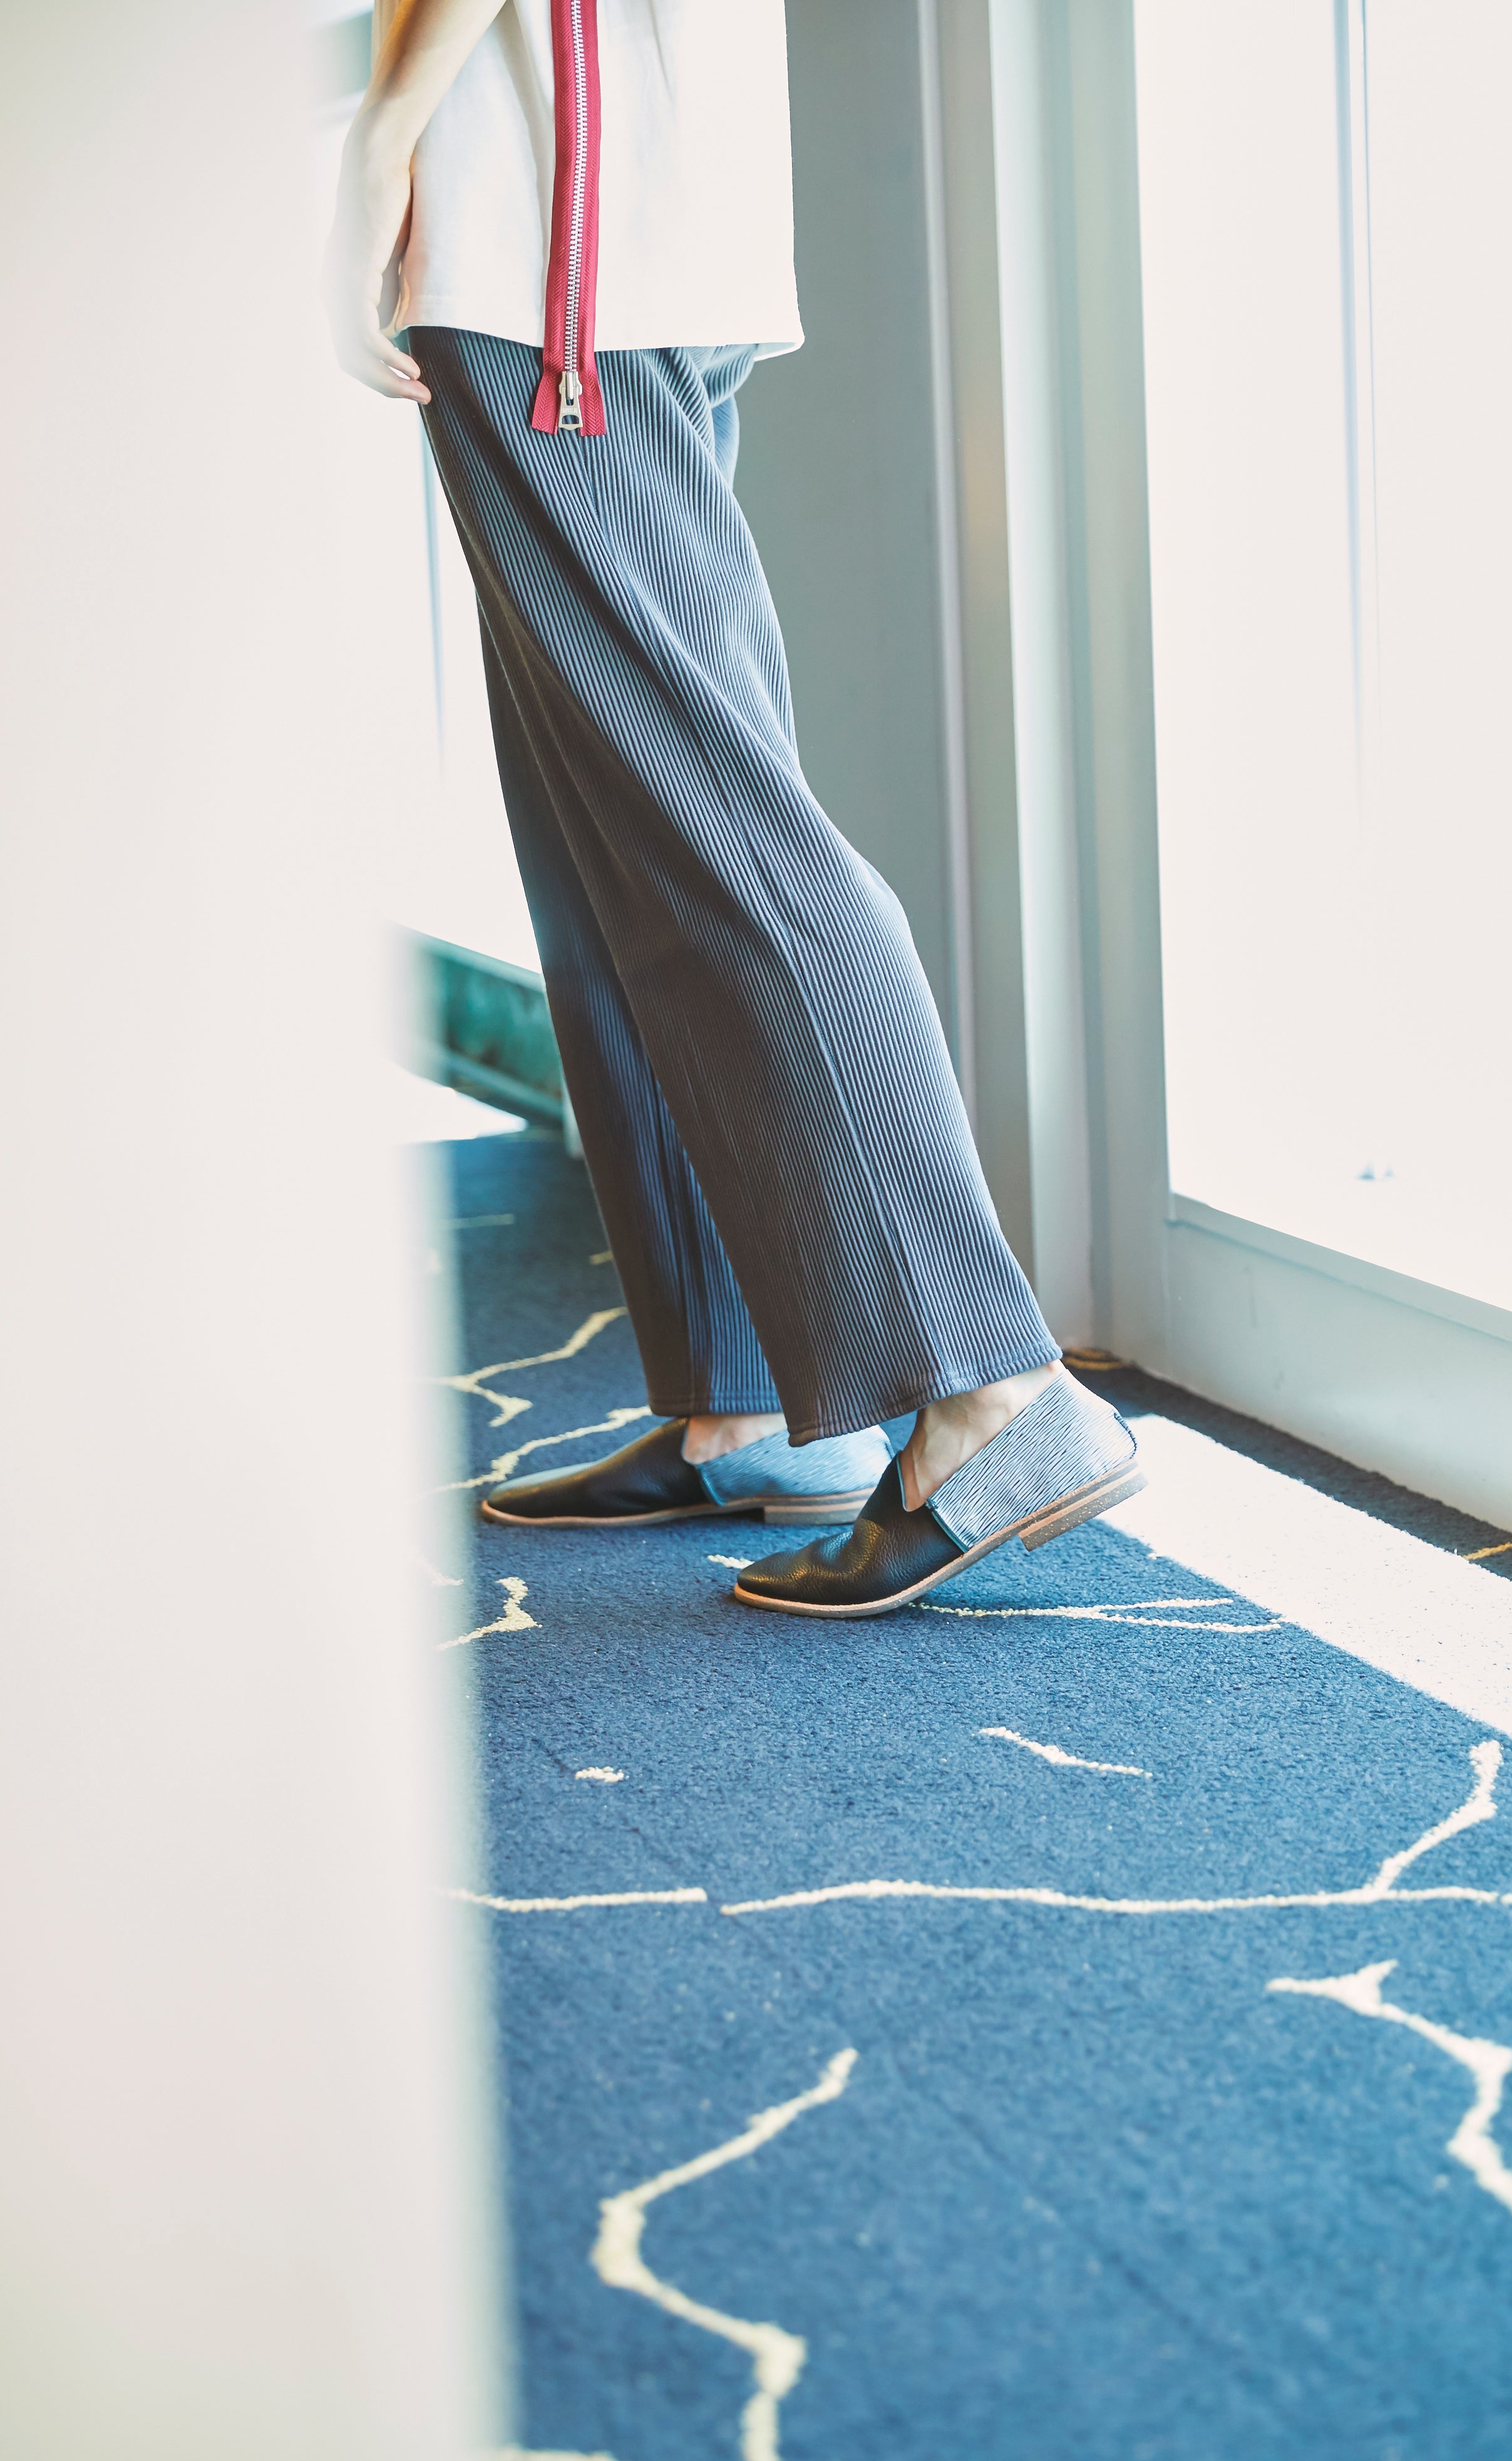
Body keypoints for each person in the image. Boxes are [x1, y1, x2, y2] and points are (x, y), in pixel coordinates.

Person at [326, 0, 1143, 1616]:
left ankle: (990, 1388)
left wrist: (380, 140)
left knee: (712, 837)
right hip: (624, 216)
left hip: (549, 232)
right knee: (612, 840)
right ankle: (748, 1394)